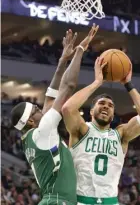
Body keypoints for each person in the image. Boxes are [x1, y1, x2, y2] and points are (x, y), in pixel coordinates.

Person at [10, 24, 99, 205]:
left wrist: (62, 61)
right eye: (35, 110)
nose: (40, 109)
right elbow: (69, 86)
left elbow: (51, 95)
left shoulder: (35, 136)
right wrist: (81, 49)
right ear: (30, 121)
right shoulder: (43, 131)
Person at [62, 56, 140, 205]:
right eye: (102, 103)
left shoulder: (120, 134)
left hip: (110, 202)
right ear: (91, 111)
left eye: (110, 105)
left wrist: (128, 85)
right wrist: (97, 82)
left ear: (113, 115)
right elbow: (67, 109)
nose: (106, 106)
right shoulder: (81, 129)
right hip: (81, 201)